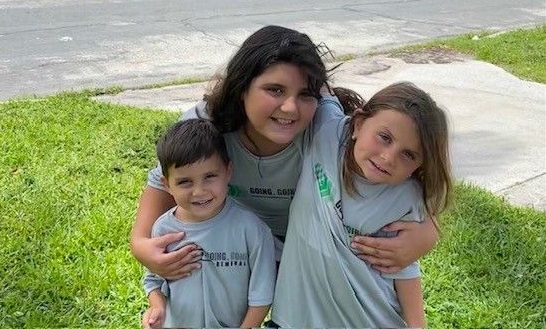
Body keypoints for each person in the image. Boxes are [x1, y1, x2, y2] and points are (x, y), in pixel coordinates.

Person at [130, 26, 439, 280]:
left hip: (305, 260)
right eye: (275, 90)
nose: (290, 108)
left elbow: (402, 169)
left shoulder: (325, 129)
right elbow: (162, 182)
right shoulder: (204, 126)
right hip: (229, 251)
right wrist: (142, 246)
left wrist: (428, 234)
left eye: (305, 94)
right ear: (241, 87)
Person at [271, 82, 453, 328]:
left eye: (408, 154)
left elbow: (404, 267)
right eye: (385, 137)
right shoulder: (326, 131)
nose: (388, 157)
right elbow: (310, 72)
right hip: (293, 319)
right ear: (358, 124)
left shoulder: (406, 197)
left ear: (420, 165)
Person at [142, 119, 276, 329]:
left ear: (228, 172)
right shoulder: (163, 229)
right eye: (184, 181)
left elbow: (262, 294)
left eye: (210, 176)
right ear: (167, 184)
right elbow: (154, 280)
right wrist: (157, 308)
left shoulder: (252, 230)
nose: (199, 191)